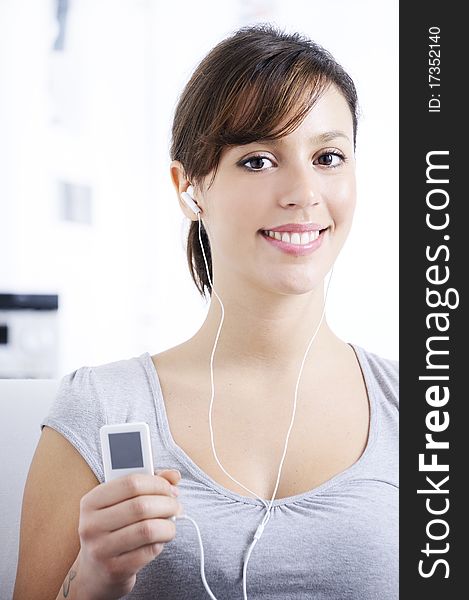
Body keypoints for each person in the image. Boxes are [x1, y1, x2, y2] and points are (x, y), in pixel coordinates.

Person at [13, 23, 398, 600]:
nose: (303, 191)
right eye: (259, 160)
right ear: (188, 187)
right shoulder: (100, 408)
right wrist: (95, 577)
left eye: (328, 156)